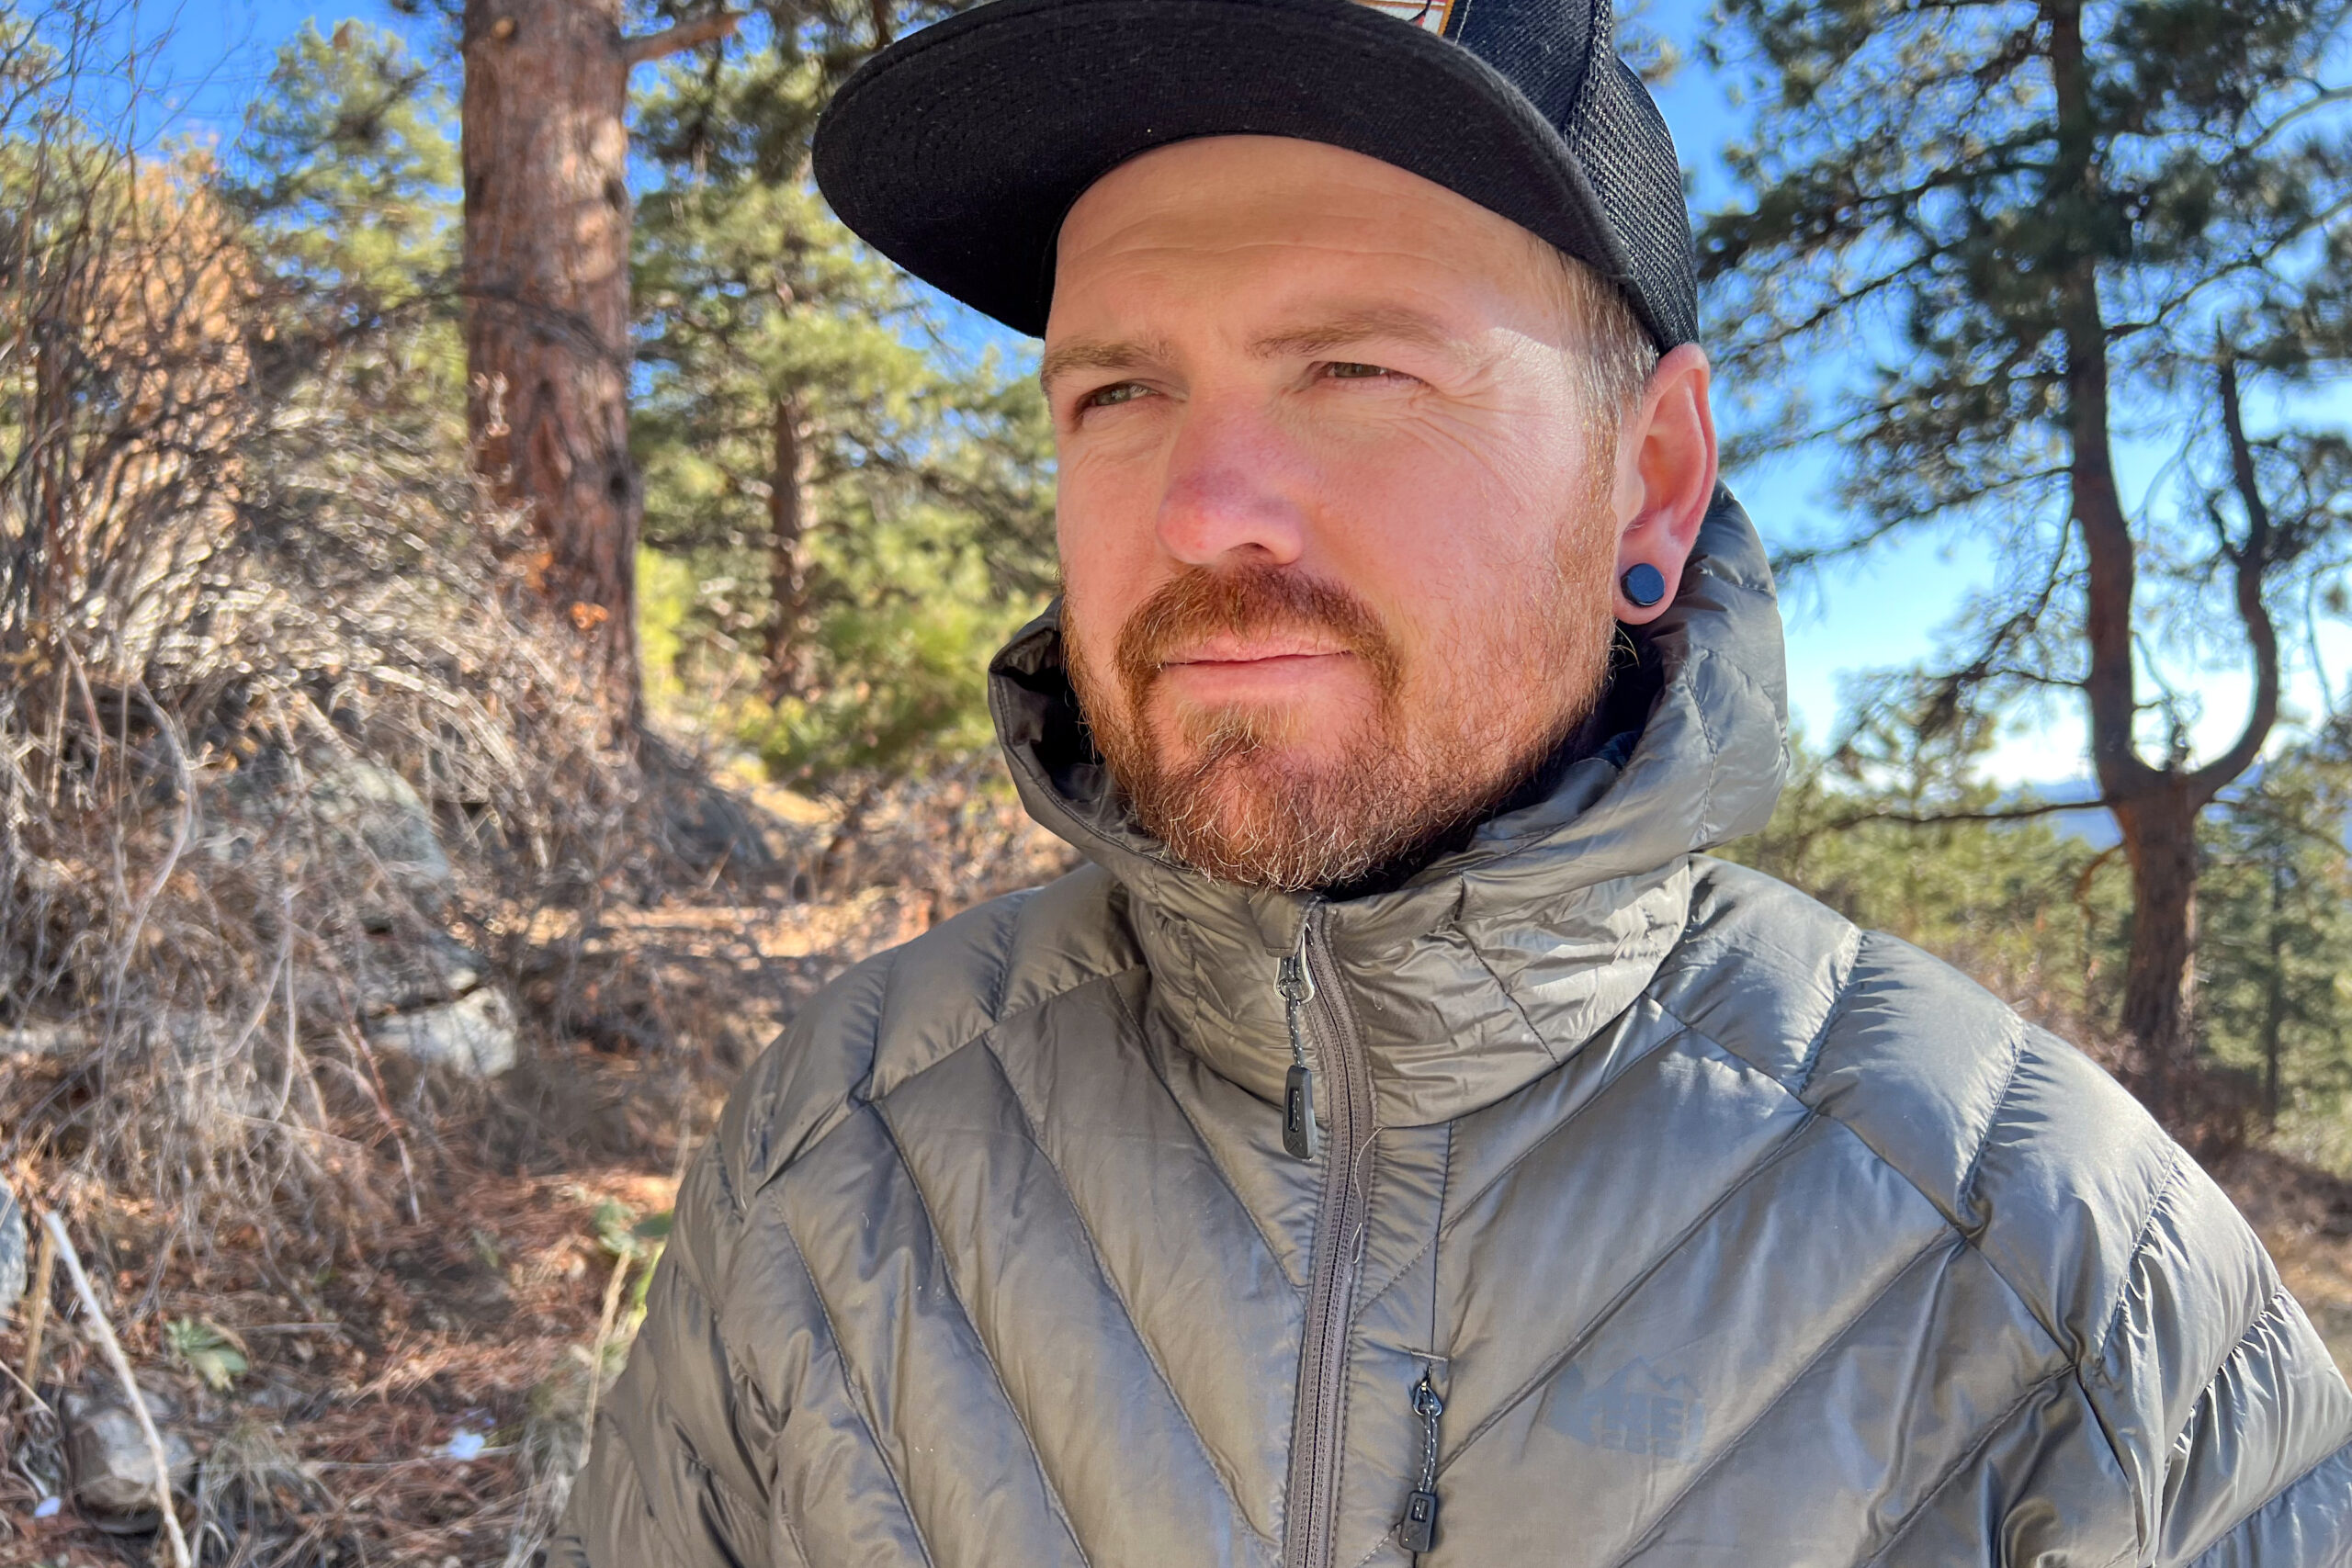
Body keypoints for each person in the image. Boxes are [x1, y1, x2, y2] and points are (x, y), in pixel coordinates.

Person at [553, 0, 2352, 1561]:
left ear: (1648, 481)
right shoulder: (834, 1149)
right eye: (1114, 391)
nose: (1196, 505)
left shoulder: (2060, 1284)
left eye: (1352, 364)